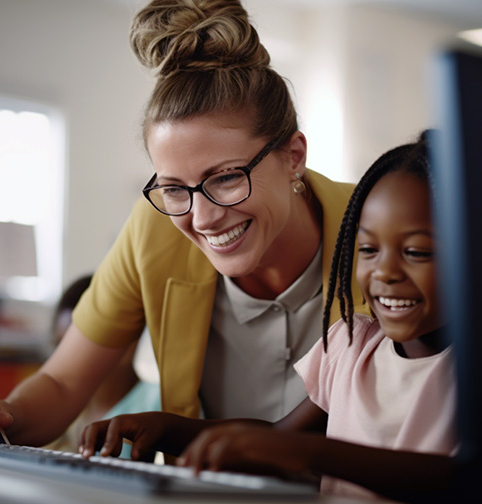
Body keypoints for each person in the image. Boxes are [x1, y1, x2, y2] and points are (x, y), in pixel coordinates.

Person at [0, 0, 362, 448]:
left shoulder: (378, 229)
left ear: (293, 156)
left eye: (224, 177)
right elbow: (63, 384)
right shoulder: (155, 227)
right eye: (175, 188)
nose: (202, 218)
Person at [82, 132, 457, 502]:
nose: (385, 272)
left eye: (417, 252)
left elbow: (470, 479)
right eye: (369, 249)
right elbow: (279, 437)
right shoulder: (350, 345)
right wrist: (167, 429)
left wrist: (308, 452)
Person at [42, 275, 160, 455]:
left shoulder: (160, 403)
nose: (69, 361)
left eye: (81, 348)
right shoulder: (54, 412)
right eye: (60, 346)